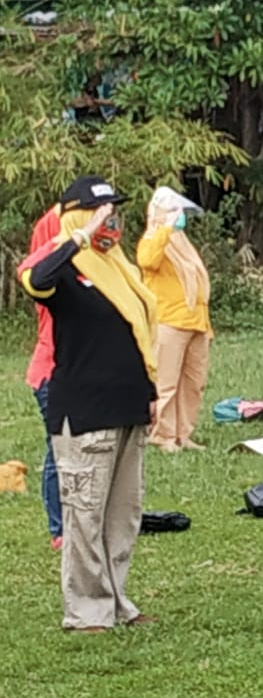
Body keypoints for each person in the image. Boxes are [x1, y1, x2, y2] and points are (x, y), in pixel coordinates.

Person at [19, 176, 158, 633]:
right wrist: (76, 236)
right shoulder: (64, 270)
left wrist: (150, 395)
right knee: (85, 514)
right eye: (101, 213)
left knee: (123, 515)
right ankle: (86, 611)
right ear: (77, 216)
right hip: (84, 412)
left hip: (127, 407)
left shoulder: (118, 267)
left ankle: (117, 601)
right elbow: (36, 277)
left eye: (115, 212)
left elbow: (138, 337)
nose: (111, 221)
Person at [136, 188, 212, 452]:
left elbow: (197, 282)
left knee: (193, 383)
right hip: (169, 320)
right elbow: (146, 260)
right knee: (166, 383)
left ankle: (184, 433)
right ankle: (163, 435)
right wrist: (165, 228)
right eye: (171, 211)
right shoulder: (152, 239)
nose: (177, 216)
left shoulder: (183, 242)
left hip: (196, 322)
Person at [22, 205, 64, 551]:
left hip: (81, 373)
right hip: (51, 371)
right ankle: (59, 528)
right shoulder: (45, 281)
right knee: (59, 447)